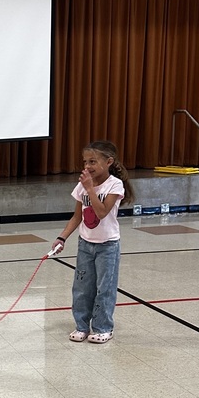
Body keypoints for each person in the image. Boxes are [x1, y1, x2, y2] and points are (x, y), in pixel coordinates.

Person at [51, 140, 134, 344]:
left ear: (109, 162)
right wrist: (62, 237)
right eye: (85, 161)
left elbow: (102, 212)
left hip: (108, 246)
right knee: (81, 287)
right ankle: (81, 326)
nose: (87, 166)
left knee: (104, 288)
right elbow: (77, 217)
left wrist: (90, 189)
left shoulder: (115, 185)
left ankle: (103, 327)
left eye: (93, 162)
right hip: (85, 245)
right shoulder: (82, 185)